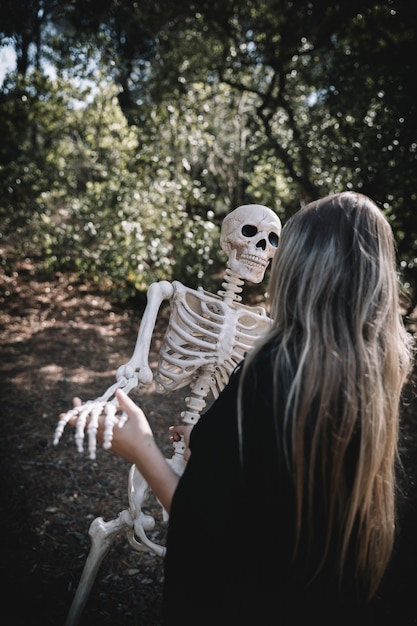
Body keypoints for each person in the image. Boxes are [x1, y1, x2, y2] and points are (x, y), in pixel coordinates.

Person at [65, 192, 415, 625]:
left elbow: (208, 529)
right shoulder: (374, 378)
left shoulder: (270, 369)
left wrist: (141, 449)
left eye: (276, 244)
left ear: (301, 269)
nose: (265, 254)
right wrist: (215, 444)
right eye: (252, 236)